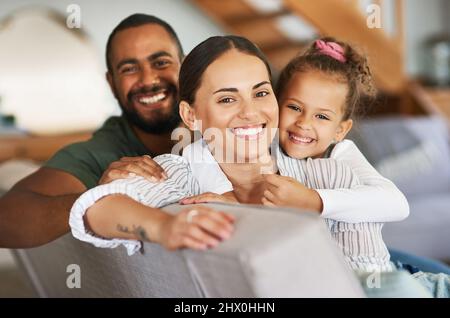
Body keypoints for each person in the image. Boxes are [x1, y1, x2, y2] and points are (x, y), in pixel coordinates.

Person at [0, 14, 183, 248]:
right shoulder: (96, 153)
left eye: (161, 62)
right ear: (111, 83)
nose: (148, 80)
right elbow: (6, 222)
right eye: (129, 68)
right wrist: (99, 199)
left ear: (185, 66)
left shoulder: (224, 125)